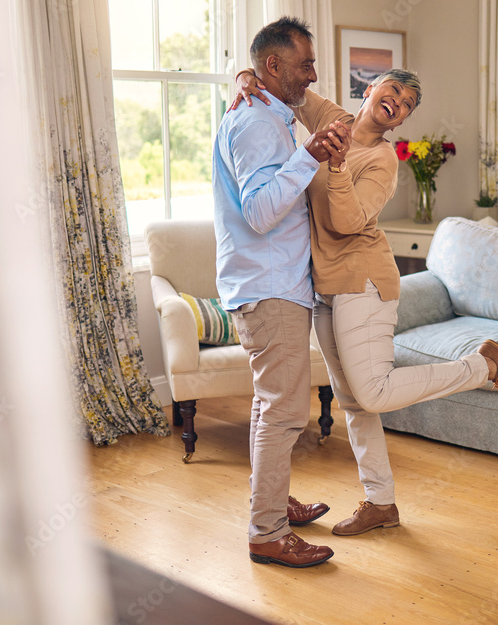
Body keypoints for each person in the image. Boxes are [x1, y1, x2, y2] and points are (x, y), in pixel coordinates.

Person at [231, 68, 498, 536]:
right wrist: (246, 77)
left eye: (408, 103)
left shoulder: (383, 160)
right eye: (393, 90)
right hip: (323, 287)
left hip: (365, 282)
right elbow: (291, 92)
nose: (398, 101)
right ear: (370, 89)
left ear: (399, 123)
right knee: (354, 403)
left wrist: (335, 168)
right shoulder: (331, 118)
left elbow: (347, 222)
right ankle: (381, 504)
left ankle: (484, 367)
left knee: (372, 393)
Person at [212, 17, 351, 568]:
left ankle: (272, 500)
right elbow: (262, 211)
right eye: (305, 65)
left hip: (274, 283)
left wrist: (240, 74)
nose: (313, 75)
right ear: (274, 66)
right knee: (286, 411)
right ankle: (267, 531)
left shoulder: (268, 110)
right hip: (268, 288)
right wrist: (310, 155)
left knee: (272, 406)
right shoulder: (254, 124)